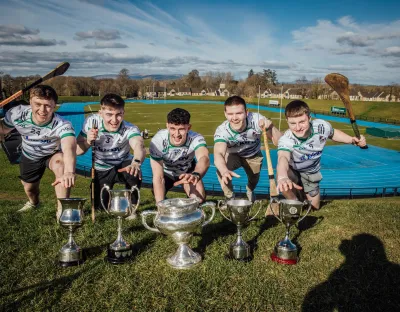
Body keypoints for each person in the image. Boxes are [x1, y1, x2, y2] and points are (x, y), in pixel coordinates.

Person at [0, 85, 76, 219]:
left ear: (54, 106)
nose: (42, 110)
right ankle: (34, 203)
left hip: (52, 154)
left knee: (61, 165)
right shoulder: (16, 114)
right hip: (29, 154)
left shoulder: (62, 124)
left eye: (47, 105)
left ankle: (62, 210)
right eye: (38, 104)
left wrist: (70, 171)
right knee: (30, 190)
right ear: (30, 102)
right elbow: (3, 131)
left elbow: (69, 147)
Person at [276, 100, 367, 210]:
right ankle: (295, 204)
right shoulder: (286, 139)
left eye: (302, 122)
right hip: (293, 170)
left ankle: (304, 196)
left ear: (309, 118)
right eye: (293, 123)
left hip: (311, 171)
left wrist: (352, 140)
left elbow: (333, 133)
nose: (298, 127)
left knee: (314, 208)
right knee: (283, 183)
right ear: (287, 121)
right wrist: (282, 177)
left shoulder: (321, 126)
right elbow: (283, 157)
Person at [76, 93, 145, 219]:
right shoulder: (91, 122)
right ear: (100, 113)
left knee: (134, 171)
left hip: (122, 164)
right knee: (100, 207)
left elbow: (139, 145)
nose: (114, 120)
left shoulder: (130, 128)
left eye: (119, 114)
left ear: (123, 112)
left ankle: (132, 206)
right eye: (109, 114)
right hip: (101, 167)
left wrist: (136, 162)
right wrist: (87, 141)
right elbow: (77, 151)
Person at [214, 95, 282, 204]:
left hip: (253, 155)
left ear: (246, 112)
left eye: (239, 113)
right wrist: (224, 170)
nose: (234, 118)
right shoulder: (222, 130)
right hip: (233, 155)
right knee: (221, 170)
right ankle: (229, 197)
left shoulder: (257, 120)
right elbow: (218, 154)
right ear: (225, 114)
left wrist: (271, 127)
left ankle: (250, 190)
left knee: (254, 179)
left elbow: (279, 142)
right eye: (230, 114)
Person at [150, 108, 209, 204]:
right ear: (167, 126)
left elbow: (204, 158)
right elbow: (158, 176)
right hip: (166, 173)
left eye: (181, 129)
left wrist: (196, 175)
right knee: (159, 198)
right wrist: (160, 206)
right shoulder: (158, 141)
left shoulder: (196, 138)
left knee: (199, 200)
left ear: (188, 128)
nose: (176, 134)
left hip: (187, 171)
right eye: (172, 129)